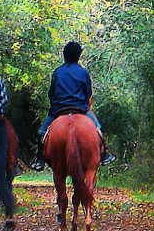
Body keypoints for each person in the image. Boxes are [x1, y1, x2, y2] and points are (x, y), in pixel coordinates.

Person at [30, 41, 115, 171]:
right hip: (80, 109)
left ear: (64, 55)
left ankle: (40, 160)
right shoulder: (83, 72)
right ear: (78, 56)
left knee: (41, 132)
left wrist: (56, 103)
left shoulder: (57, 72)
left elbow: (51, 93)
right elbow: (88, 94)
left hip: (59, 110)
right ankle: (104, 155)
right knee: (98, 128)